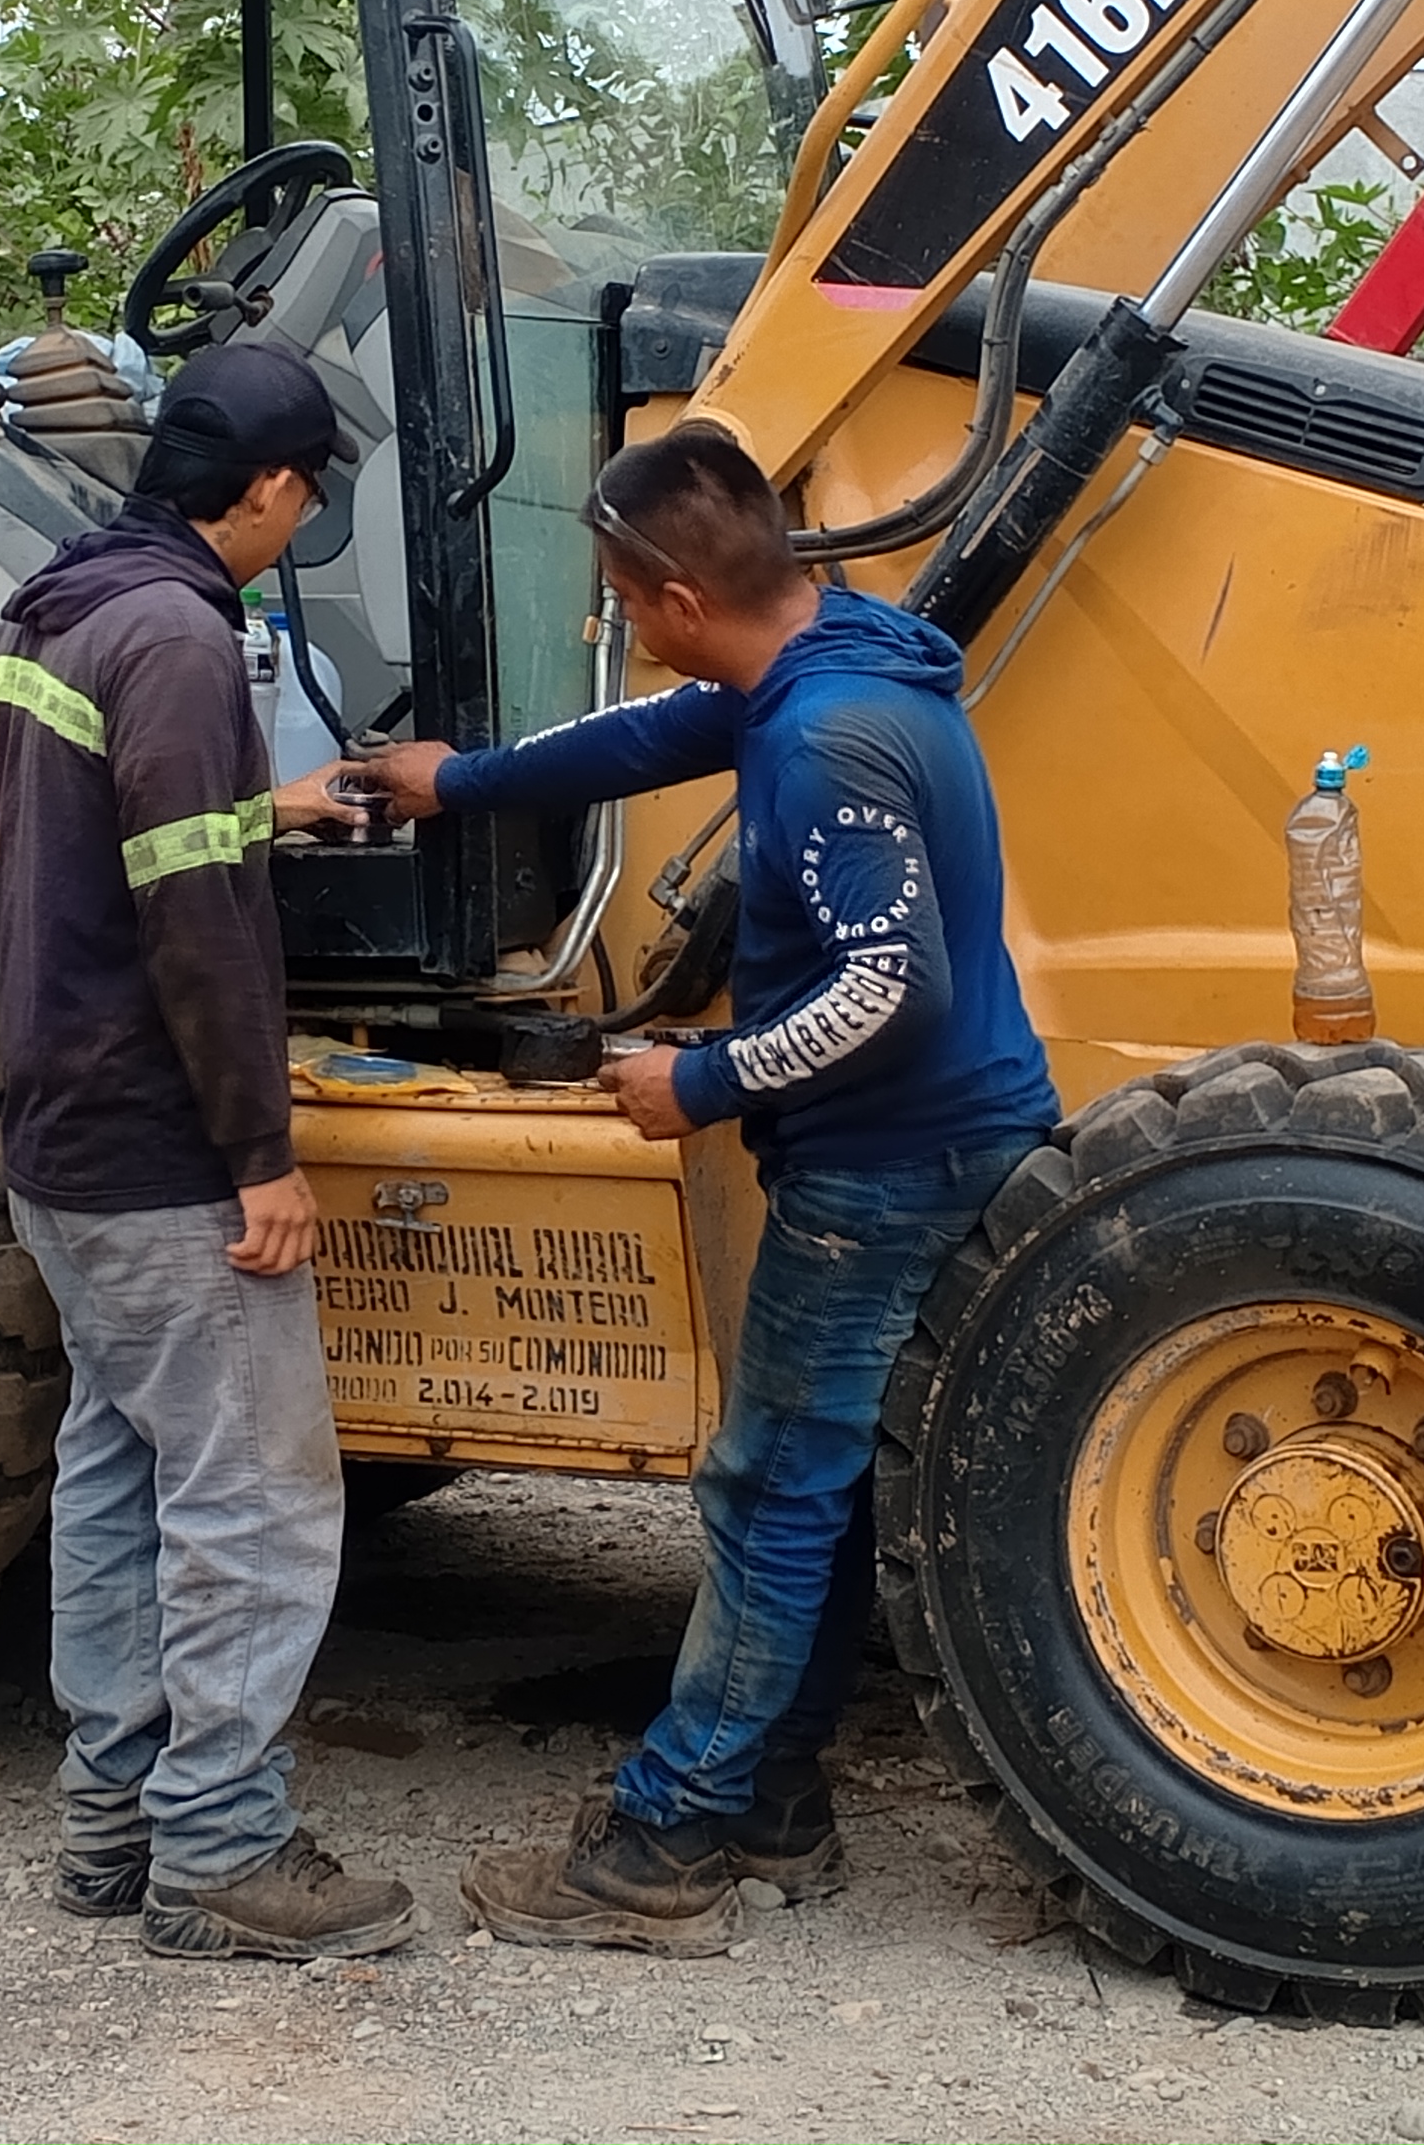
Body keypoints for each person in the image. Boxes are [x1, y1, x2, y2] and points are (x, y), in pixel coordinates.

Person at [355, 420, 1057, 1955]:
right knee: (818, 1481)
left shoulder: (822, 742)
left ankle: (667, 1839)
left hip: (884, 1164)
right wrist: (455, 781)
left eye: (624, 599)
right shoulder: (831, 655)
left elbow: (893, 986)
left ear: (677, 597)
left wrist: (707, 1080)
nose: (626, 624)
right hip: (942, 1133)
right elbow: (644, 741)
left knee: (766, 1486)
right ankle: (774, 1800)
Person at [0, 338, 418, 1962]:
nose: (302, 521)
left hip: (62, 1132)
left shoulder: (67, 609)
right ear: (273, 486)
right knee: (254, 1498)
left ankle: (110, 1822)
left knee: (121, 1468)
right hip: (166, 1143)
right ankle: (223, 1851)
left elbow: (117, 841)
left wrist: (269, 808)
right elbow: (192, 922)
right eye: (307, 498)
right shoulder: (177, 638)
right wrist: (259, 1152)